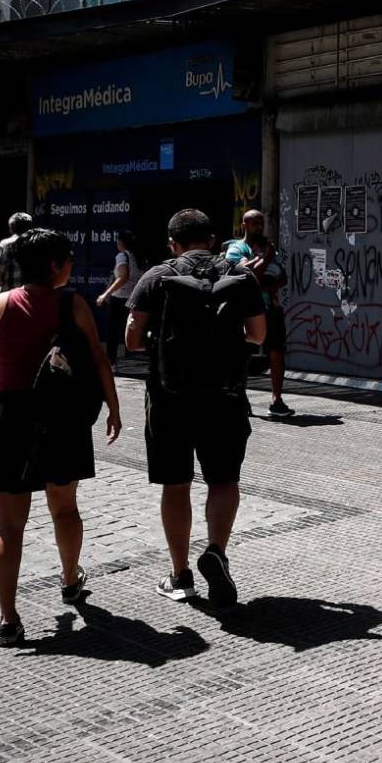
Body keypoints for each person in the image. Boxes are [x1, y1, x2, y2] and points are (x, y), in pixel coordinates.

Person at [0, 228, 123, 647]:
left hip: (10, 417)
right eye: (68, 258)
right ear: (55, 265)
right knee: (65, 508)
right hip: (61, 419)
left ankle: (8, 619)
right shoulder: (72, 304)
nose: (70, 264)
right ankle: (70, 579)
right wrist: (114, 406)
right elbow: (99, 357)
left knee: (8, 525)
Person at [127, 209, 267, 608]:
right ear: (213, 237)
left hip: (169, 399)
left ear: (173, 243)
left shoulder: (157, 277)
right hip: (225, 398)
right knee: (223, 481)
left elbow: (132, 339)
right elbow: (258, 335)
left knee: (176, 485)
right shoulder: (241, 275)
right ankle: (216, 551)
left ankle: (180, 574)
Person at [225, 211, 291, 417]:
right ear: (244, 224)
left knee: (277, 351)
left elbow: (282, 278)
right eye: (255, 223)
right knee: (242, 353)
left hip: (271, 309)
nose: (259, 227)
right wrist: (266, 261)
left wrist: (263, 282)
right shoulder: (236, 248)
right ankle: (239, 397)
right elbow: (246, 276)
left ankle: (277, 400)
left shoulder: (268, 248)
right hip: (245, 310)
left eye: (261, 223)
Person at [95, 230, 144, 365]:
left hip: (120, 298)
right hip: (134, 298)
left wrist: (105, 294)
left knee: (113, 330)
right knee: (131, 327)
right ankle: (133, 357)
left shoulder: (122, 256)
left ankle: (110, 360)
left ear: (121, 242)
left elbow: (123, 276)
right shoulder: (137, 256)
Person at [0, 212, 34, 301]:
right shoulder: (37, 244)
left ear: (11, 229)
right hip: (32, 301)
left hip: (10, 301)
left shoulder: (6, 245)